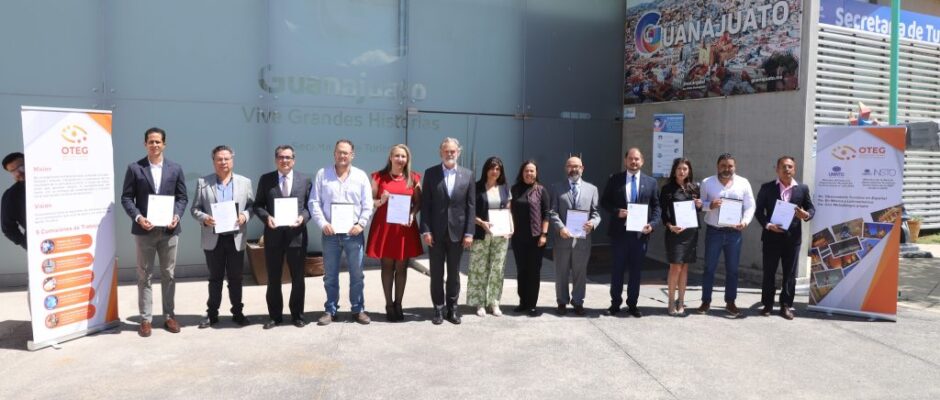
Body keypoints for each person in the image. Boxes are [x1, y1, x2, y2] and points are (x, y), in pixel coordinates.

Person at [120, 127, 188, 337]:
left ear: (164, 144)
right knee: (144, 276)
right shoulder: (135, 168)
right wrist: (139, 217)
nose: (154, 145)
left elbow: (182, 197)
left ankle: (169, 316)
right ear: (145, 144)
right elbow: (126, 198)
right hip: (144, 232)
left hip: (169, 231)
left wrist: (177, 215)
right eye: (151, 141)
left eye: (158, 142)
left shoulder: (175, 168)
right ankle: (146, 319)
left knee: (169, 274)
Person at [309, 139, 374, 326]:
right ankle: (330, 310)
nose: (342, 156)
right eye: (339, 152)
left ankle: (358, 309)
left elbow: (367, 204)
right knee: (330, 275)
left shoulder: (361, 176)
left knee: (357, 274)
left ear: (352, 155)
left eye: (346, 153)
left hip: (354, 233)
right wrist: (323, 223)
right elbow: (314, 202)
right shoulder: (323, 174)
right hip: (330, 234)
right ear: (334, 153)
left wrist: (361, 224)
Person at [190, 145, 254, 328]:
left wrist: (245, 216)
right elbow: (194, 209)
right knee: (215, 278)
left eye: (226, 159)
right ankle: (212, 314)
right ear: (213, 161)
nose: (223, 162)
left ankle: (238, 312)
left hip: (236, 237)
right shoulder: (203, 182)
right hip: (213, 237)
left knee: (236, 278)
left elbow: (251, 206)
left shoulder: (245, 182)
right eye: (219, 159)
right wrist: (204, 218)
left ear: (232, 160)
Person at [254, 145, 312, 329]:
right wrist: (266, 217)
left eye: (288, 157)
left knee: (298, 278)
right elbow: (258, 205)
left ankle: (297, 315)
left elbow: (310, 207)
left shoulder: (304, 180)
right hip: (273, 236)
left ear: (293, 160)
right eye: (280, 157)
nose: (284, 160)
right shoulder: (266, 179)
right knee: (273, 278)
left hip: (297, 236)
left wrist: (302, 217)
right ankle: (275, 316)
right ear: (275, 159)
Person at [420, 137, 475, 325]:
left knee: (454, 273)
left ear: (458, 152)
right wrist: (425, 230)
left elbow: (471, 207)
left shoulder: (468, 175)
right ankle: (438, 308)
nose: (450, 154)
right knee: (436, 273)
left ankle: (452, 308)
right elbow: (425, 205)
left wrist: (469, 233)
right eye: (446, 151)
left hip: (458, 235)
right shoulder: (431, 173)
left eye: (453, 151)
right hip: (435, 234)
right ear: (440, 152)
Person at [600, 148, 661, 318]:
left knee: (636, 271)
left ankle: (632, 305)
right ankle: (615, 304)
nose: (634, 162)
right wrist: (615, 211)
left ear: (642, 161)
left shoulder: (651, 183)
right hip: (620, 234)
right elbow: (604, 201)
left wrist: (653, 224)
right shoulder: (615, 179)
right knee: (617, 270)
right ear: (626, 160)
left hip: (640, 235)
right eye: (631, 159)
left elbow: (657, 207)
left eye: (637, 159)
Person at [367, 144, 423, 322]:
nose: (400, 159)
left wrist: (413, 215)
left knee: (402, 267)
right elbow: (370, 202)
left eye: (403, 156)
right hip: (385, 228)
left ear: (407, 159)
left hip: (404, 229)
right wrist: (380, 201)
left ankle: (399, 304)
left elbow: (418, 203)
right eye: (397, 156)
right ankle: (389, 305)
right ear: (390, 157)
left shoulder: (413, 178)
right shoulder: (378, 177)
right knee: (387, 267)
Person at [755, 156, 814, 320]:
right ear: (777, 169)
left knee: (789, 274)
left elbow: (811, 208)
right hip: (771, 237)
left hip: (792, 239)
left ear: (794, 169)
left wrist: (806, 214)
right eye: (783, 166)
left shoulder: (802, 189)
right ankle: (767, 304)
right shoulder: (767, 188)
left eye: (790, 167)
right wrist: (768, 225)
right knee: (769, 272)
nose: (786, 169)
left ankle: (786, 306)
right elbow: (759, 212)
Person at [698, 153, 755, 317]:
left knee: (733, 270)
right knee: (709, 268)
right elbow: (700, 205)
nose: (727, 169)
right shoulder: (707, 183)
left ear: (734, 167)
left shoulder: (743, 183)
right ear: (717, 166)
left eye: (730, 166)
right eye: (723, 165)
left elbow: (750, 205)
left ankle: (730, 302)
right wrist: (710, 205)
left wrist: (745, 221)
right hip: (714, 231)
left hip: (734, 233)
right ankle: (705, 301)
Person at [548, 156, 600, 316]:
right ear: (566, 168)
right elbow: (552, 212)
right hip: (562, 239)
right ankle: (562, 302)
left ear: (582, 168)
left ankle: (578, 302)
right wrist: (560, 227)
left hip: (583, 241)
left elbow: (596, 213)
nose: (574, 169)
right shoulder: (556, 188)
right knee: (561, 273)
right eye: (570, 166)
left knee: (580, 273)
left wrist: (593, 223)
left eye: (576, 166)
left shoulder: (592, 189)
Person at [468, 156, 512, 318]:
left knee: (497, 269)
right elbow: (469, 212)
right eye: (492, 168)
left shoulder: (505, 188)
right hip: (481, 234)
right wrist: (481, 223)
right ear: (486, 169)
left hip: (500, 235)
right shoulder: (476, 187)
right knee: (479, 269)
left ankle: (494, 302)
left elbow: (508, 211)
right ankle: (479, 302)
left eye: (498, 169)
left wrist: (510, 228)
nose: (495, 171)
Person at [659, 157, 702, 316]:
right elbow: (663, 213)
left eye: (685, 169)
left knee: (684, 267)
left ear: (689, 170)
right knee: (675, 266)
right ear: (674, 170)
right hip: (675, 233)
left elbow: (696, 211)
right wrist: (670, 226)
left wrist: (699, 206)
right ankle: (670, 301)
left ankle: (681, 301)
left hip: (691, 233)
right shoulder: (667, 189)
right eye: (679, 169)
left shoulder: (694, 188)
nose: (682, 171)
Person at [510, 160, 550, 317]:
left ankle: (532, 305)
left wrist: (544, 234)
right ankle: (523, 302)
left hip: (536, 239)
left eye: (532, 171)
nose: (529, 174)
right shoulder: (515, 189)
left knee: (534, 271)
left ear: (536, 173)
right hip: (518, 238)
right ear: (522, 173)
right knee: (521, 271)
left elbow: (547, 213)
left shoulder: (541, 190)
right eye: (526, 171)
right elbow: (508, 211)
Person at [2, 152, 26, 250]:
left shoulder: (52, 181)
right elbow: (8, 229)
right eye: (12, 171)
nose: (18, 173)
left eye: (21, 167)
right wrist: (27, 245)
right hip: (43, 247)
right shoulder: (10, 196)